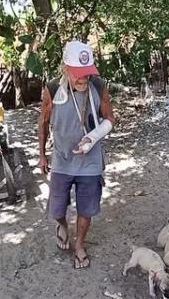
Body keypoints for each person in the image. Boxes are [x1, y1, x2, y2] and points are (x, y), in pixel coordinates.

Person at [38, 40, 116, 269]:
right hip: (62, 158)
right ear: (65, 68)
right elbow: (42, 123)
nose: (84, 79)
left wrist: (92, 138)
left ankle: (80, 244)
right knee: (56, 208)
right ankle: (62, 225)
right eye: (78, 74)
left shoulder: (99, 86)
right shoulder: (52, 90)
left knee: (87, 208)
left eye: (87, 74)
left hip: (90, 162)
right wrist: (42, 155)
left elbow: (110, 119)